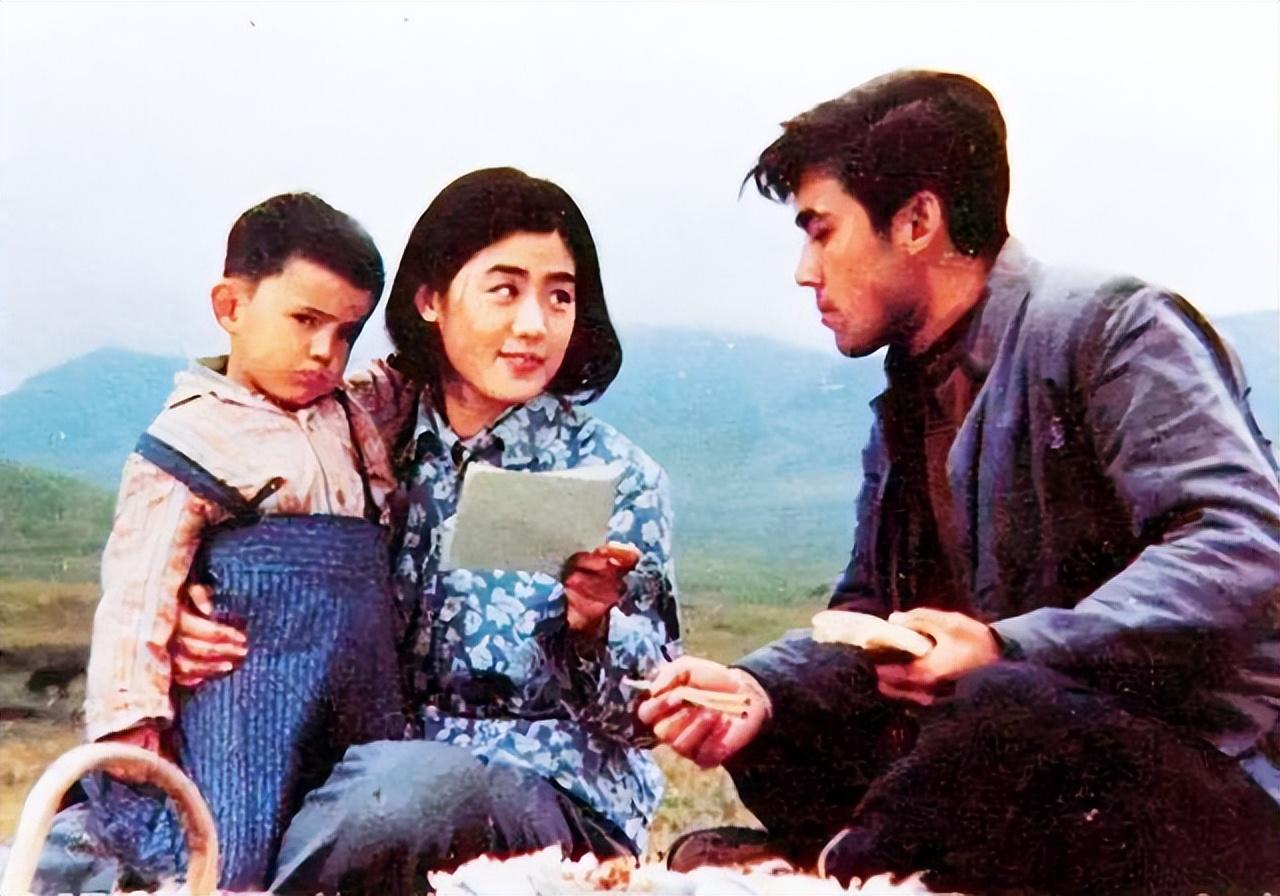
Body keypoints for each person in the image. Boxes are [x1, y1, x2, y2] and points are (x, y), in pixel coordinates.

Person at [638, 70, 1280, 895]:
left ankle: (831, 873)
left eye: (822, 232)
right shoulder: (911, 393)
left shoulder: (1114, 325)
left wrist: (1011, 645)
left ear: (917, 221)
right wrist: (756, 688)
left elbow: (1239, 541)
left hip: (1207, 773)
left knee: (1002, 709)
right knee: (783, 720)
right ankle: (873, 861)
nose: (805, 271)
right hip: (1016, 756)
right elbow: (868, 614)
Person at [172, 168, 682, 894]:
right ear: (430, 299)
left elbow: (648, 714)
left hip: (548, 792)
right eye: (505, 290)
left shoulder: (618, 476)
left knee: (402, 792)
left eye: (560, 296)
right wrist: (192, 609)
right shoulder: (362, 439)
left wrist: (593, 627)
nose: (535, 325)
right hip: (353, 772)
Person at [74, 192, 403, 892]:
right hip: (247, 691)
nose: (325, 351)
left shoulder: (351, 413)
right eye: (305, 320)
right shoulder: (190, 437)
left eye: (346, 332)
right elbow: (138, 586)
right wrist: (129, 715)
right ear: (230, 307)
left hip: (357, 684)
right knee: (230, 850)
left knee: (367, 832)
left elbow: (408, 377)